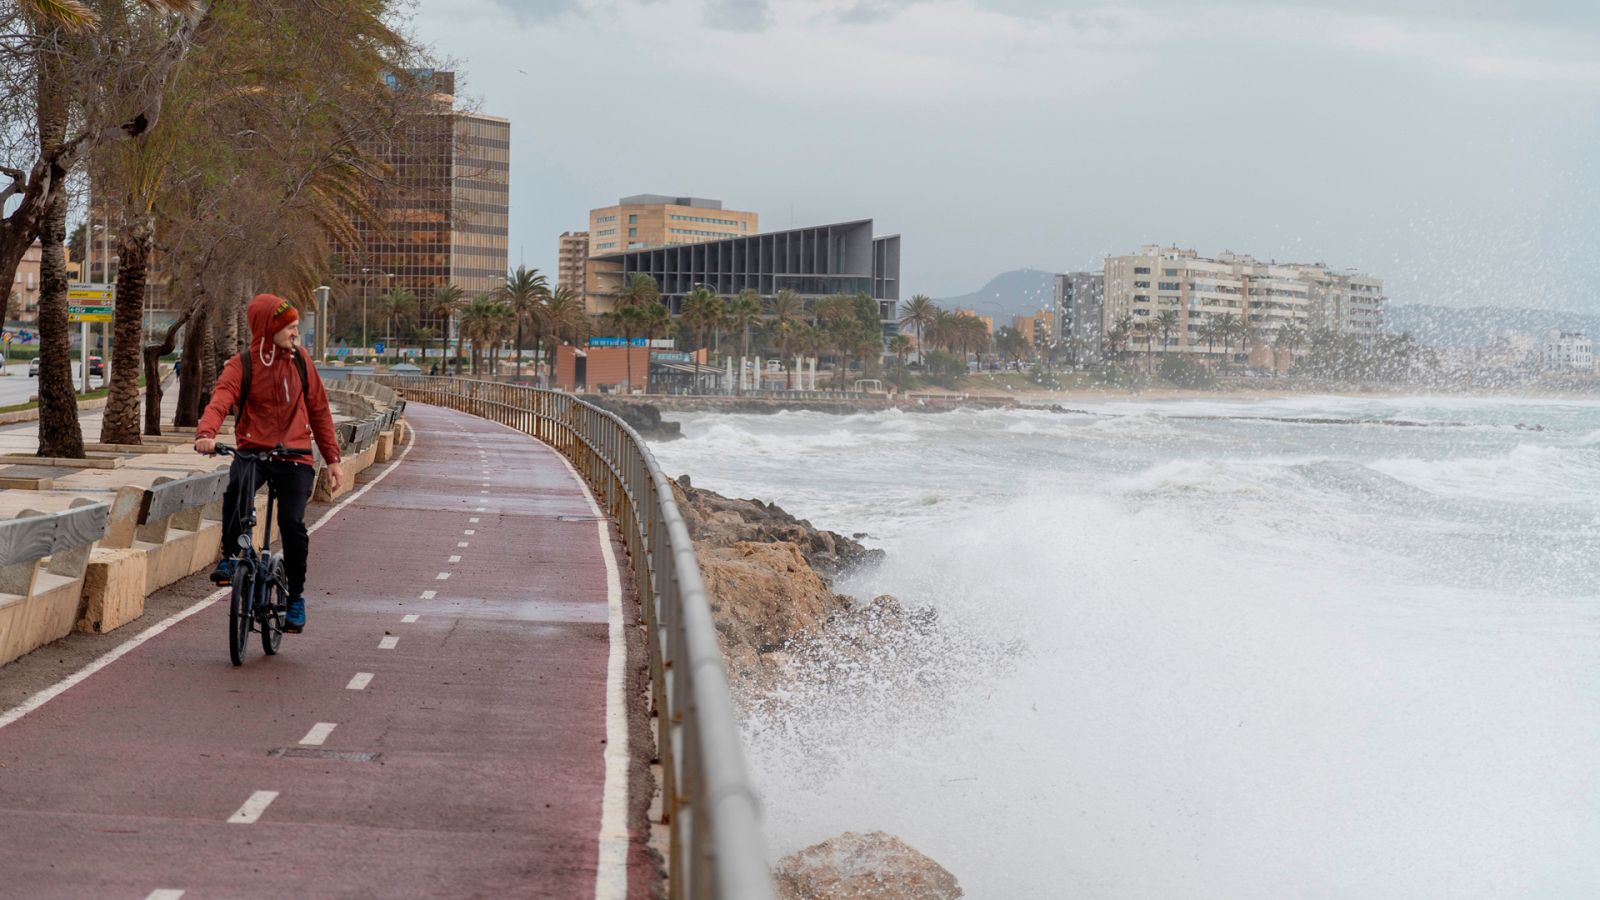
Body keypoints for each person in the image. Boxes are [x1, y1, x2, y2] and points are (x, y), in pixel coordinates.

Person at [195, 294, 344, 633]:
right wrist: (206, 432)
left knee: (292, 523)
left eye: (296, 326)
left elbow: (319, 411)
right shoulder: (242, 365)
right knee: (236, 490)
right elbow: (220, 400)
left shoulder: (302, 362)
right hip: (253, 452)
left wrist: (332, 459)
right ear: (269, 329)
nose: (295, 332)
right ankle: (233, 557)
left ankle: (295, 599)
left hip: (295, 457)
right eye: (289, 326)